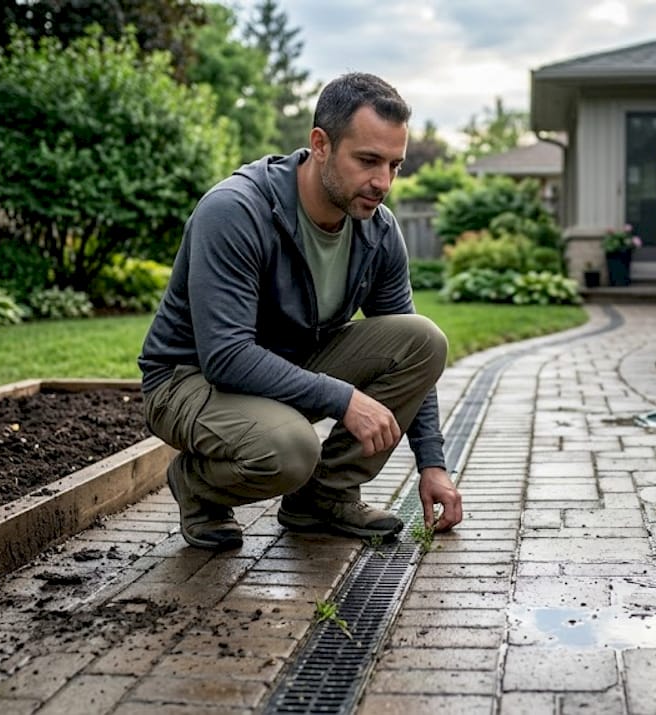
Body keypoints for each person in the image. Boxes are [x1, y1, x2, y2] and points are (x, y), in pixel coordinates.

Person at [138, 72, 462, 550]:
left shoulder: (376, 229)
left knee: (423, 339)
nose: (383, 182)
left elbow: (410, 349)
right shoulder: (235, 210)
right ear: (321, 144)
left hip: (284, 365)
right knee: (290, 450)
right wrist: (344, 399)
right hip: (190, 378)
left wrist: (432, 463)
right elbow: (225, 356)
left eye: (395, 165)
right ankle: (198, 486)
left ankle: (322, 499)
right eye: (368, 160)